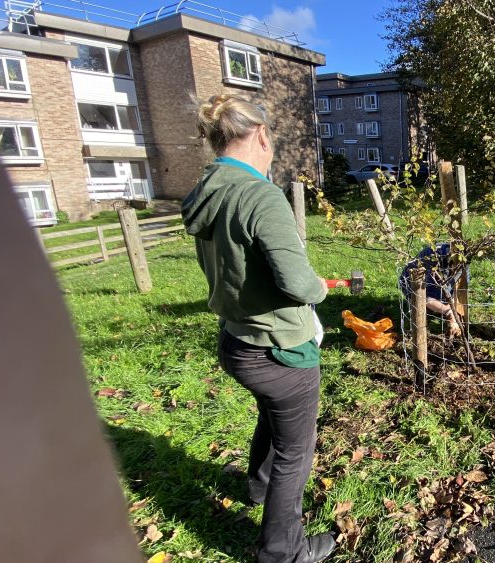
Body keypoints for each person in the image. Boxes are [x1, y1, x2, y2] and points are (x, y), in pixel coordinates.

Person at [182, 94, 334, 563]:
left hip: (237, 339)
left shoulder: (208, 188)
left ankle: (256, 487)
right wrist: (321, 290)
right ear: (263, 136)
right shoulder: (260, 196)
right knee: (296, 451)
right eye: (273, 142)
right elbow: (296, 282)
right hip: (279, 349)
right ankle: (282, 552)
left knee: (272, 417)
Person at [398, 242, 464, 337]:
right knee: (421, 303)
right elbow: (424, 297)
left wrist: (455, 314)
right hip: (413, 283)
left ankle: (440, 308)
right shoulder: (433, 259)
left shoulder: (464, 260)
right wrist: (449, 312)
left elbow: (460, 289)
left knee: (446, 296)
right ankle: (427, 310)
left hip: (438, 281)